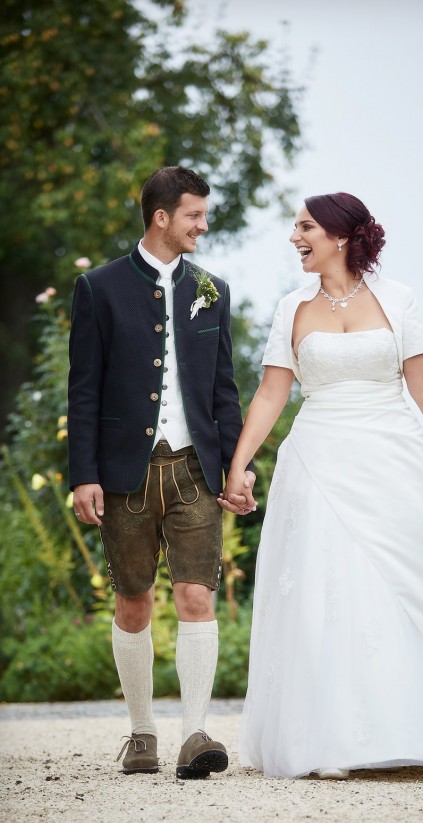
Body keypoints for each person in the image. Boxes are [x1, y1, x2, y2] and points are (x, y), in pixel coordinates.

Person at [218, 191, 423, 779]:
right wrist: (238, 465)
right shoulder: (292, 307)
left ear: (339, 235)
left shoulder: (399, 298)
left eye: (304, 227)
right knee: (328, 586)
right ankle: (333, 736)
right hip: (319, 460)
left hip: (395, 455)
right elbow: (273, 392)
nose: (293, 237)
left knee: (420, 576)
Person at [68, 165, 255, 778]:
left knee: (197, 595)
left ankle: (195, 734)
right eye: (195, 214)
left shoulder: (214, 290)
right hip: (124, 472)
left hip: (195, 469)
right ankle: (142, 732)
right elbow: (84, 390)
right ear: (162, 217)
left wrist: (236, 468)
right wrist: (83, 473)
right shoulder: (98, 288)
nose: (204, 224)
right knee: (133, 604)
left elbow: (223, 392)